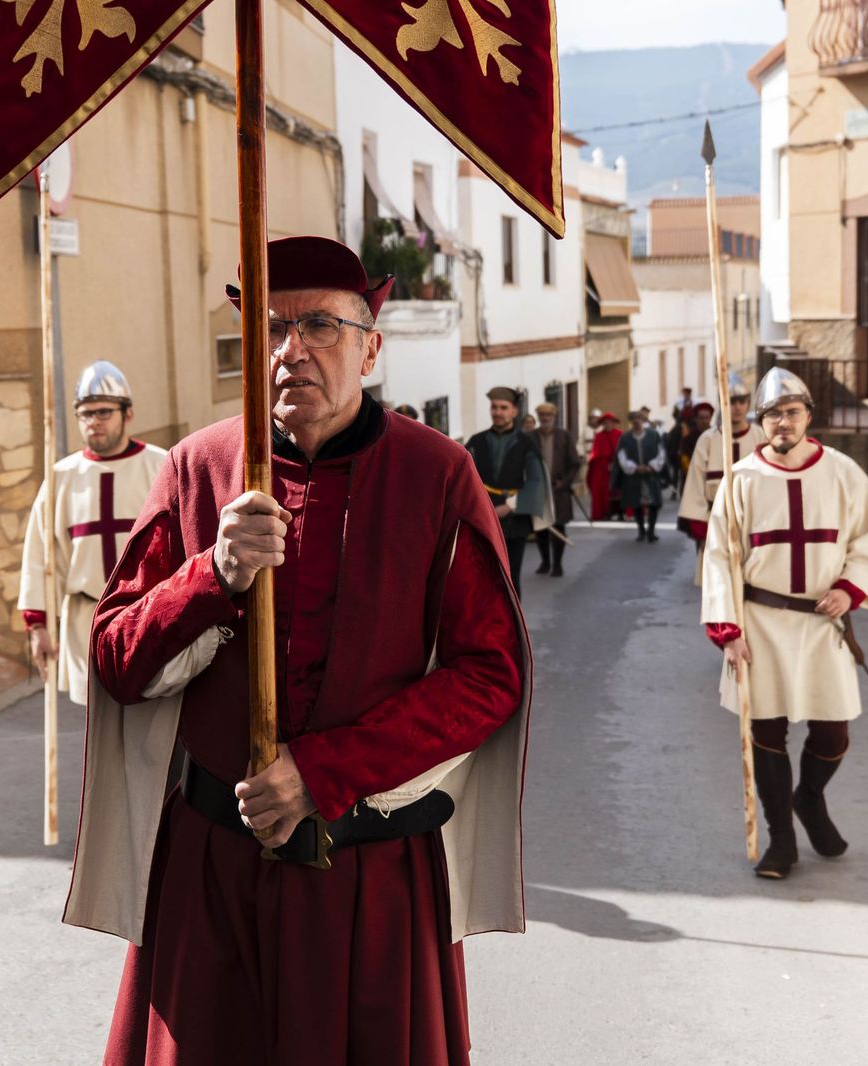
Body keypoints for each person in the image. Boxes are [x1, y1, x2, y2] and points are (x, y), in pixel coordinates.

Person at [65, 236, 531, 1065]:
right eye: (270, 329)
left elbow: (490, 676)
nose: (290, 351)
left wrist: (325, 770)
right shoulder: (196, 469)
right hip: (210, 879)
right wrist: (211, 574)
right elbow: (115, 659)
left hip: (371, 880)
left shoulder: (437, 475)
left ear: (372, 347)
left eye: (319, 325)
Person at [699, 367, 868, 880]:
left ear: (808, 415)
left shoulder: (844, 472)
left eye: (791, 412)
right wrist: (727, 630)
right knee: (767, 733)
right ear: (760, 422)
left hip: (822, 624)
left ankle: (809, 799)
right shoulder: (742, 479)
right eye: (772, 414)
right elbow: (720, 556)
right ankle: (782, 840)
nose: (782, 422)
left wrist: (848, 588)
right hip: (761, 623)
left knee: (832, 733)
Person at [17, 361, 167, 702]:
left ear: (127, 414)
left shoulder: (161, 466)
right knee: (93, 731)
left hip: (146, 619)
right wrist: (38, 624)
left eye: (103, 412)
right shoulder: (61, 477)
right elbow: (41, 553)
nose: (93, 422)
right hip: (86, 622)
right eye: (85, 414)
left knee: (150, 727)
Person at [678, 385, 768, 584]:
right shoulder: (707, 440)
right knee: (718, 589)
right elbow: (695, 487)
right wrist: (702, 532)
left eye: (741, 402)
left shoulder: (760, 437)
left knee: (754, 588)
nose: (736, 408)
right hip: (716, 522)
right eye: (731, 402)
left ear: (747, 404)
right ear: (722, 404)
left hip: (754, 524)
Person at [466, 386, 549, 593]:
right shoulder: (476, 442)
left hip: (514, 521)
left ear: (514, 411)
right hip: (481, 519)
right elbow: (464, 478)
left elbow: (536, 481)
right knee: (481, 579)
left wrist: (509, 507)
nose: (498, 412)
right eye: (494, 407)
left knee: (510, 579)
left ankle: (512, 625)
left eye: (503, 407)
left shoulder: (527, 443)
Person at [527, 401, 581, 577]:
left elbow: (574, 463)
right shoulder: (530, 437)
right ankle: (545, 561)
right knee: (541, 528)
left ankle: (557, 564)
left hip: (559, 491)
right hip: (538, 491)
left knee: (559, 527)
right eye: (542, 416)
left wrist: (565, 483)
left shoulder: (564, 436)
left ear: (554, 417)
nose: (545, 418)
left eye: (548, 415)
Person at [615, 409, 666, 542]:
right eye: (634, 419)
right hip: (634, 477)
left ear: (643, 420)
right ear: (631, 421)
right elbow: (622, 456)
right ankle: (641, 531)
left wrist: (652, 466)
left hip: (650, 475)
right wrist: (634, 468)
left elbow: (661, 453)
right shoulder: (625, 438)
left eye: (639, 418)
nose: (637, 421)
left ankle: (651, 531)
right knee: (636, 503)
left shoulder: (653, 435)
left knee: (654, 503)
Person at [587, 412, 622, 520]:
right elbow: (597, 452)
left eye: (610, 423)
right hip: (602, 467)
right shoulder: (599, 436)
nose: (608, 425)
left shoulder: (619, 434)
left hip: (618, 466)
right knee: (602, 489)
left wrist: (615, 464)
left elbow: (622, 451)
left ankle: (620, 512)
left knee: (619, 490)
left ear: (613, 423)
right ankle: (605, 512)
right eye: (605, 423)